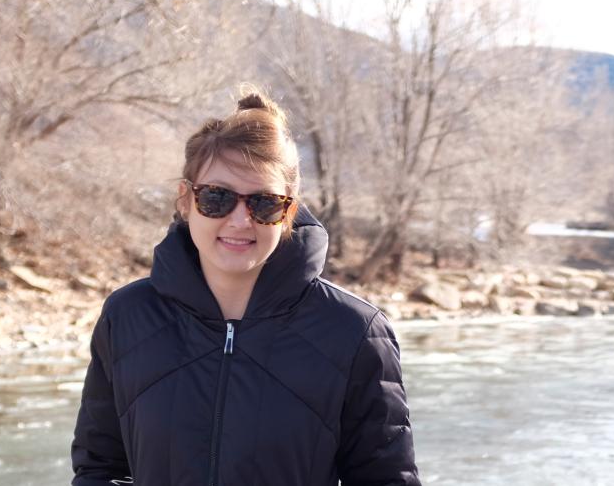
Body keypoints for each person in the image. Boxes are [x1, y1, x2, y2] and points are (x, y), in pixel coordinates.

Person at [71, 88, 419, 486]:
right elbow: (99, 467)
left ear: (288, 211)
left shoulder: (355, 331)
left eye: (264, 203)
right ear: (185, 199)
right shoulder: (128, 316)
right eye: (217, 198)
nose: (240, 221)